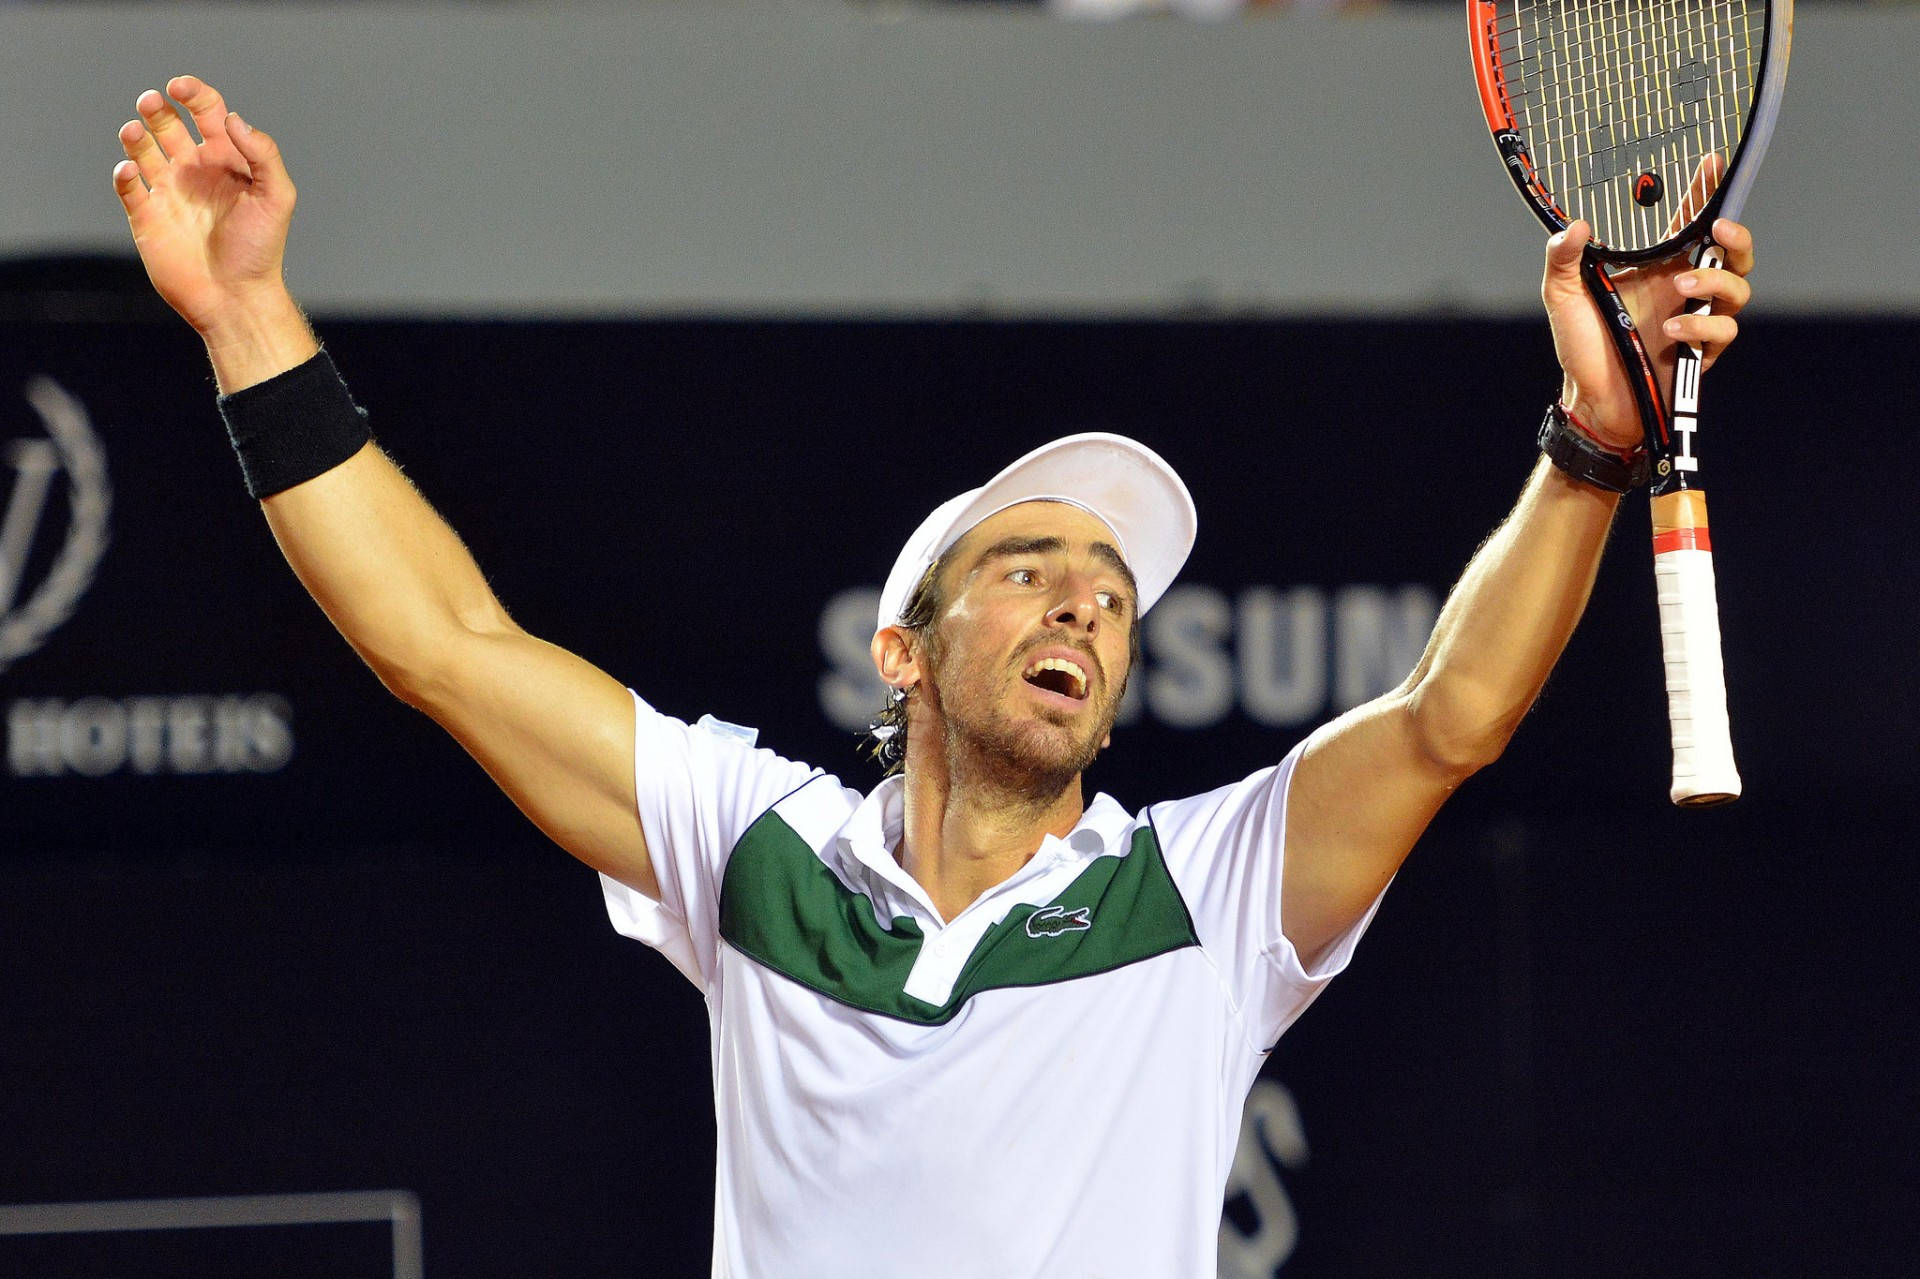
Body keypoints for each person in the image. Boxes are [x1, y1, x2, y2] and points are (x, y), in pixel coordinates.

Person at [112, 75, 1753, 1277]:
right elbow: (443, 651)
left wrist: (1595, 443)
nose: (1085, 608)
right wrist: (249, 315)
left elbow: (1449, 717)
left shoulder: (1202, 894)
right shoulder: (753, 849)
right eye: (1030, 569)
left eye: (1112, 595)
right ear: (903, 650)